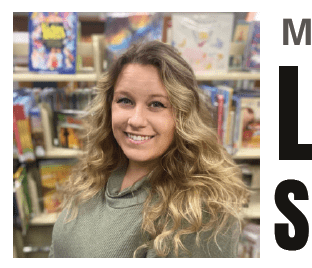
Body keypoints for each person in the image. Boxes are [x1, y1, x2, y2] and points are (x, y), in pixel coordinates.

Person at [50, 41, 250, 257]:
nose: (136, 120)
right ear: (108, 106)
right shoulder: (102, 167)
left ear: (183, 114)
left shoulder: (200, 211)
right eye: (125, 100)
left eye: (156, 104)